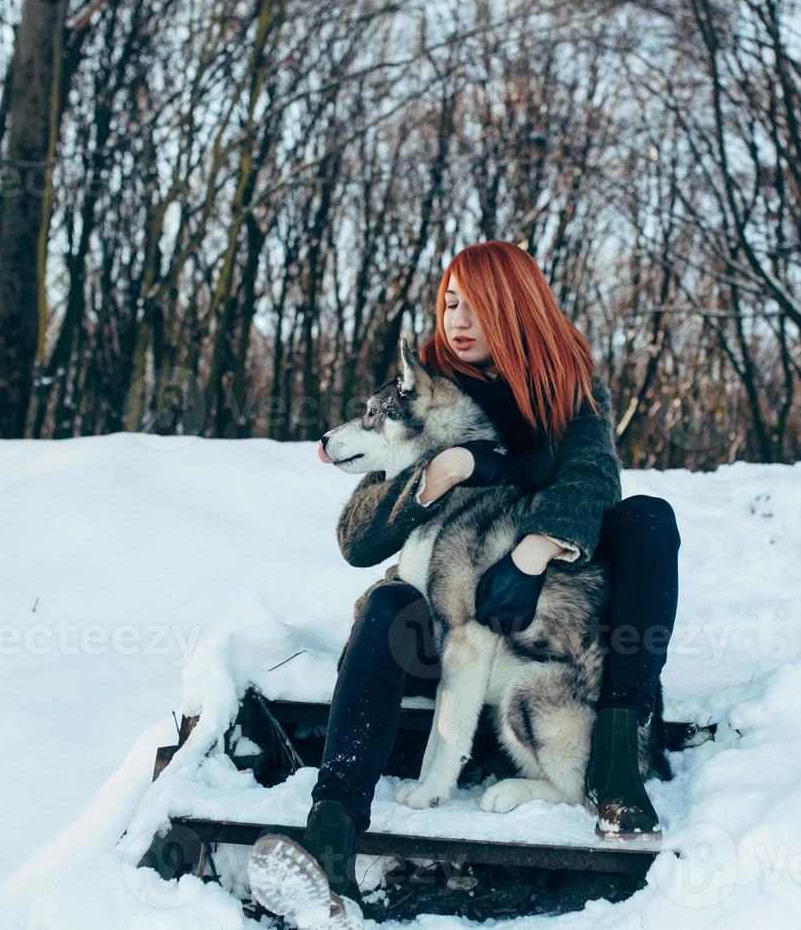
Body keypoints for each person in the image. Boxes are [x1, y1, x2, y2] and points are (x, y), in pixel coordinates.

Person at [247, 241, 681, 927]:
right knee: (389, 600)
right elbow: (358, 537)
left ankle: (618, 756)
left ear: (515, 309)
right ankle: (332, 837)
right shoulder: (424, 390)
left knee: (648, 520)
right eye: (450, 302)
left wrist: (533, 552)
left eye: (478, 305)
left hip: (537, 630)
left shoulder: (564, 384)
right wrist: (437, 474)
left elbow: (593, 480)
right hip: (436, 636)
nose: (459, 318)